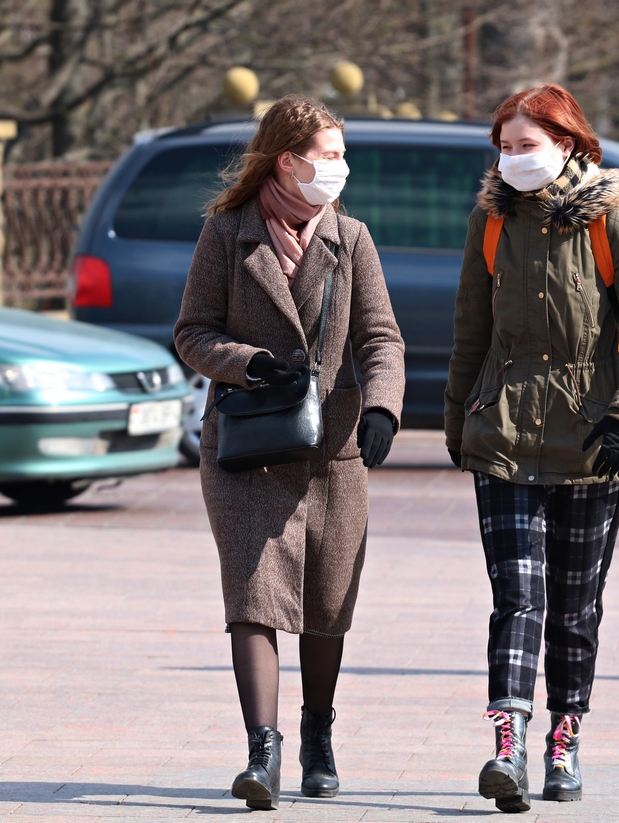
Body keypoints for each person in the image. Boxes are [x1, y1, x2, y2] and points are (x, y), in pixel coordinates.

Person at [445, 83, 619, 812]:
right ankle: (507, 745)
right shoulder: (490, 223)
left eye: (528, 145)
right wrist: (457, 425)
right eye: (505, 147)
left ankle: (564, 739)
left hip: (590, 444)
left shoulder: (608, 222)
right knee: (517, 598)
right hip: (504, 436)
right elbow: (470, 334)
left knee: (575, 608)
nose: (514, 158)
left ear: (567, 144)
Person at [174, 95, 405, 811]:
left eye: (341, 155)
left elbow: (380, 337)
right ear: (287, 160)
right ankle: (262, 750)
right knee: (254, 594)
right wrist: (250, 363)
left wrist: (382, 407)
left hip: (331, 447)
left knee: (327, 601)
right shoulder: (227, 232)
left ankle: (318, 733)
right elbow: (192, 332)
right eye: (329, 156)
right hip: (247, 447)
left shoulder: (351, 238)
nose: (340, 168)